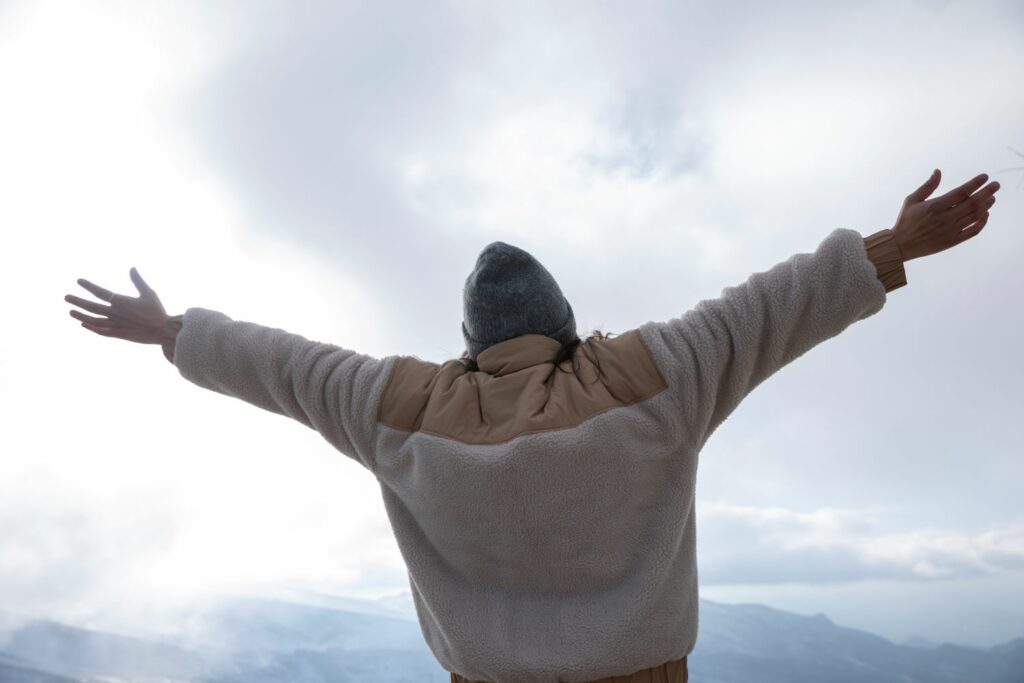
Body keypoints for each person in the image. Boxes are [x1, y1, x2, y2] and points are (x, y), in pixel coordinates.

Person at [65, 169, 999, 683]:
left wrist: (171, 331)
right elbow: (775, 304)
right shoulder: (654, 375)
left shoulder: (401, 406)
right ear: (562, 325)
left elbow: (281, 363)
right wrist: (894, 245)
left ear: (472, 341)